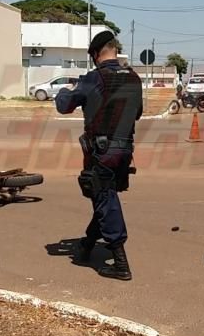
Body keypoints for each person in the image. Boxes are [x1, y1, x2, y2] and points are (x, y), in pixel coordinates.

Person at [55, 31, 143, 281]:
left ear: (96, 54)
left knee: (104, 199)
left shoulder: (94, 78)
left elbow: (64, 105)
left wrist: (65, 90)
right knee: (103, 197)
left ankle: (120, 262)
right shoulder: (134, 78)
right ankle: (86, 246)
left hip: (101, 152)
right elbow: (137, 113)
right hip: (125, 150)